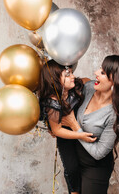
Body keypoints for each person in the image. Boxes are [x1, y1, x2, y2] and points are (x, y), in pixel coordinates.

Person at [61, 55, 119, 194]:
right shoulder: (88, 88)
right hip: (74, 162)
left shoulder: (117, 115)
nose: (95, 73)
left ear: (116, 82)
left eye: (102, 73)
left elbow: (99, 152)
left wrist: (74, 126)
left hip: (95, 168)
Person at [38, 60, 96, 194]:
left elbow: (88, 82)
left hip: (83, 128)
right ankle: (74, 191)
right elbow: (57, 130)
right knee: (72, 168)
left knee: (87, 165)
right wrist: (80, 135)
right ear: (55, 80)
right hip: (66, 136)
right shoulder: (52, 102)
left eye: (71, 73)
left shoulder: (77, 86)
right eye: (67, 75)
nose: (73, 77)